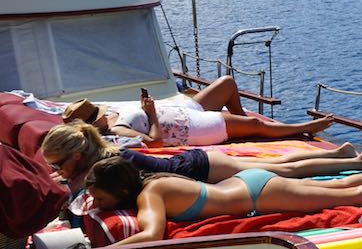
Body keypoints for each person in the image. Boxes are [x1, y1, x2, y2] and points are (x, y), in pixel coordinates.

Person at [85, 156, 362, 246]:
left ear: (120, 192)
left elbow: (150, 235)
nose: (94, 202)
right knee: (337, 189)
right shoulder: (154, 181)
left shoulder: (151, 194)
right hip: (245, 184)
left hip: (257, 194)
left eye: (99, 197)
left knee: (351, 197)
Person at [41, 122, 362, 192]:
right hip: (200, 162)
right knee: (283, 166)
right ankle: (345, 156)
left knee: (290, 170)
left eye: (57, 163)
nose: (57, 170)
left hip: (203, 169)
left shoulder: (109, 166)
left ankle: (358, 163)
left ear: (76, 156)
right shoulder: (104, 156)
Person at [62, 79, 334, 147]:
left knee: (226, 83)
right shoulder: (116, 130)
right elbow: (155, 142)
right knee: (253, 121)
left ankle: (244, 131)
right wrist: (151, 113)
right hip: (191, 127)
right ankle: (301, 129)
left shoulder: (110, 112)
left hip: (183, 109)